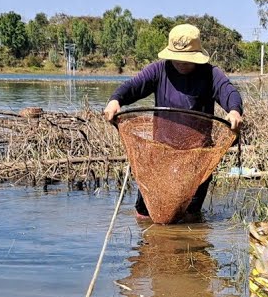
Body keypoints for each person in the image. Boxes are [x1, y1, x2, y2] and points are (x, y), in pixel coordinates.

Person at [103, 24, 243, 222]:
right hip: (161, 155)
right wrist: (115, 100)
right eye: (178, 58)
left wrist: (234, 110)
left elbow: (229, 92)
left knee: (189, 218)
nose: (182, 63)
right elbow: (133, 86)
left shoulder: (211, 74)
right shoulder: (159, 70)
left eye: (187, 59)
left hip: (196, 158)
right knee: (144, 216)